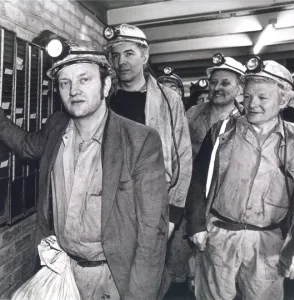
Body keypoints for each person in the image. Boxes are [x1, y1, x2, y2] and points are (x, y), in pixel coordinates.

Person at [0, 39, 169, 300]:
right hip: (62, 269)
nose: (74, 90)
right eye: (65, 83)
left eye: (84, 79)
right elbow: (25, 146)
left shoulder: (139, 141)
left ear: (106, 85)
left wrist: (140, 295)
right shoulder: (56, 127)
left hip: (112, 279)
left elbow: (152, 232)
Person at [186, 58, 294, 300]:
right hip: (219, 235)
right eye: (247, 97)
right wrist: (196, 225)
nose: (252, 104)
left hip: (268, 244)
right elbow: (198, 179)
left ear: (284, 100)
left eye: (262, 97)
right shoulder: (222, 132)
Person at [104, 24, 192, 239]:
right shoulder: (105, 98)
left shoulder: (168, 99)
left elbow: (183, 156)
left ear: (144, 56)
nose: (121, 62)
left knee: (148, 268)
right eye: (115, 55)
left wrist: (174, 214)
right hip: (110, 201)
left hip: (152, 202)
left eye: (129, 54)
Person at [188, 54, 245, 160]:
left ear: (239, 89)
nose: (217, 88)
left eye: (225, 83)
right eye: (213, 82)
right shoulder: (192, 113)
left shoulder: (246, 118)